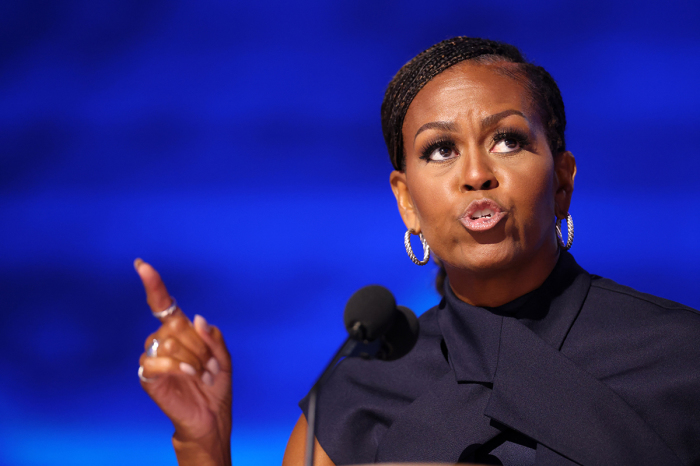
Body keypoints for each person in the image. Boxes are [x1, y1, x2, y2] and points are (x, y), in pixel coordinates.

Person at [136, 36, 700, 465]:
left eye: (508, 140)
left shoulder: (679, 355)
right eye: (440, 150)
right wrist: (204, 442)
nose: (477, 174)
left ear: (562, 181)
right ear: (406, 203)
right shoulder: (355, 392)